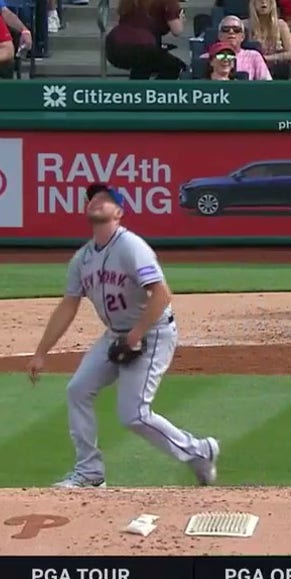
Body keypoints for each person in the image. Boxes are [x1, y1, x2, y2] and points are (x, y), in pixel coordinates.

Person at [26, 183, 221, 490]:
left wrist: (137, 333)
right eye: (93, 199)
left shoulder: (131, 247)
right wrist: (41, 351)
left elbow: (162, 294)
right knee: (77, 390)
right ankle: (90, 472)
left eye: (106, 200)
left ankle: (199, 451)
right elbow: (68, 304)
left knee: (133, 415)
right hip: (115, 335)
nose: (97, 202)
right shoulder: (82, 259)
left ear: (119, 212)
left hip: (153, 332)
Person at [105, 0, 185, 80]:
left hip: (115, 45)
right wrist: (180, 19)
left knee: (143, 67)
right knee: (175, 67)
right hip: (143, 46)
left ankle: (135, 95)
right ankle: (152, 96)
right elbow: (177, 30)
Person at [246, 0, 291, 77]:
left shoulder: (281, 25)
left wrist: (268, 58)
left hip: (276, 69)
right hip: (253, 69)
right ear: (252, 3)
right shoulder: (245, 26)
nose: (263, 2)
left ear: (272, 2)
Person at [214, 14, 270, 80]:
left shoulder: (254, 56)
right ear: (219, 36)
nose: (231, 32)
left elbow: (266, 84)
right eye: (226, 29)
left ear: (243, 37)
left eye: (236, 29)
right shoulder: (208, 57)